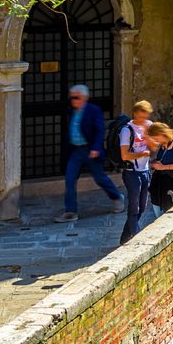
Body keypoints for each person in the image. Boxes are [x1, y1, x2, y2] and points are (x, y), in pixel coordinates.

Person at [56, 84, 123, 223]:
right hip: (76, 150)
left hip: (89, 150)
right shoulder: (72, 111)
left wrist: (96, 147)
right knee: (69, 180)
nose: (73, 100)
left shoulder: (93, 110)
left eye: (76, 97)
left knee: (100, 178)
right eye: (72, 97)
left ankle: (116, 197)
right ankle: (71, 212)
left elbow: (99, 130)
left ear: (84, 97)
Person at [118, 100, 154, 245]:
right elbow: (124, 155)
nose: (143, 120)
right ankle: (137, 238)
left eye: (145, 117)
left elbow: (154, 147)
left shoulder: (149, 126)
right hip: (131, 172)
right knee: (134, 207)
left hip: (145, 171)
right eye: (140, 117)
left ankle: (124, 237)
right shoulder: (127, 130)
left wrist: (147, 136)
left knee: (143, 207)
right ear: (135, 114)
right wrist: (141, 154)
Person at [147, 122, 173, 216]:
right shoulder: (161, 144)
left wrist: (163, 167)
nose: (155, 140)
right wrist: (153, 163)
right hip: (158, 183)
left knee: (169, 209)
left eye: (156, 137)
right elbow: (161, 161)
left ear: (161, 133)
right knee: (157, 208)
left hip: (171, 182)